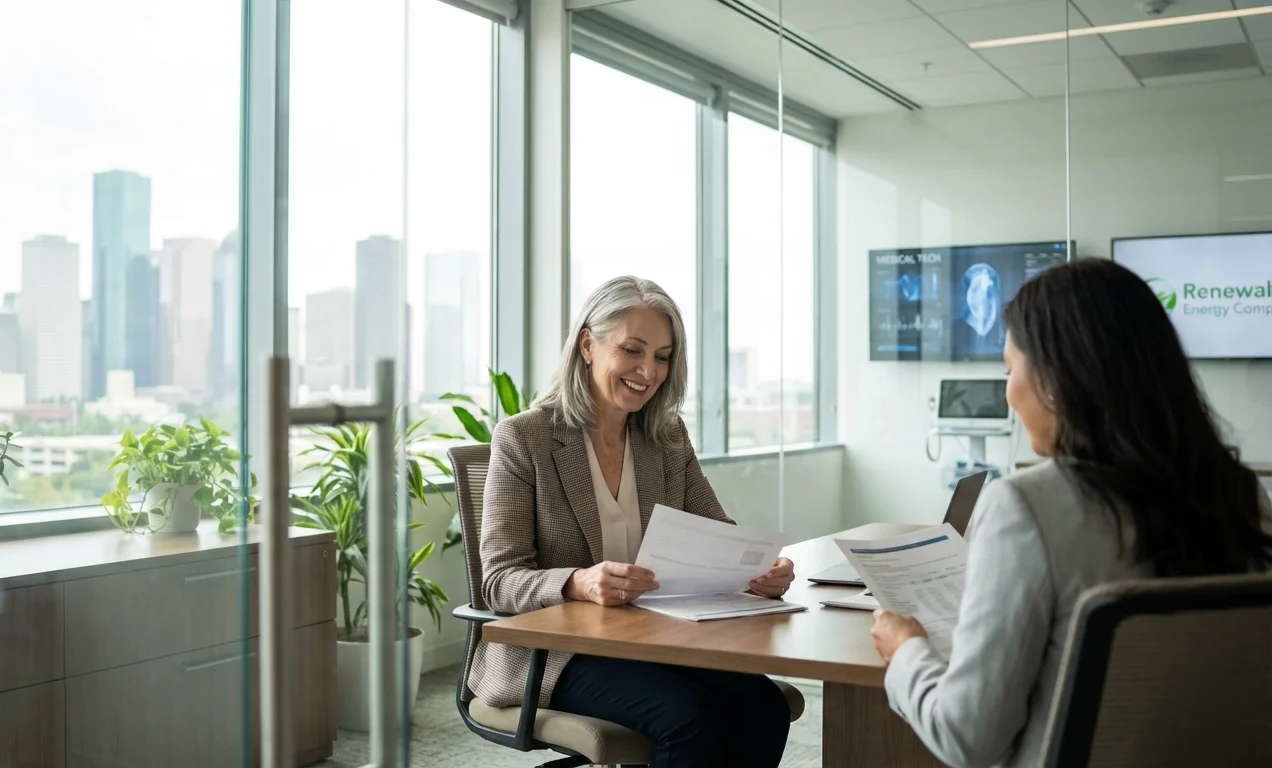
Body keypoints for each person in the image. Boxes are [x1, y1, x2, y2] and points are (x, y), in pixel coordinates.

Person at [870, 258, 1272, 768]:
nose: (1010, 394)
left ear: (1057, 378)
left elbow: (965, 738)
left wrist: (905, 650)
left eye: (1010, 369)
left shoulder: (1027, 505)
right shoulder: (1242, 494)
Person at [471, 276, 795, 768]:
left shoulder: (665, 438)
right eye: (632, 350)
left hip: (650, 636)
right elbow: (499, 580)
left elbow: (718, 533)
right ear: (587, 345)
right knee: (687, 719)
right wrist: (579, 583)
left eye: (663, 356)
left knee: (763, 707)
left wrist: (758, 572)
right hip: (556, 653)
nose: (648, 370)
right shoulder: (525, 439)